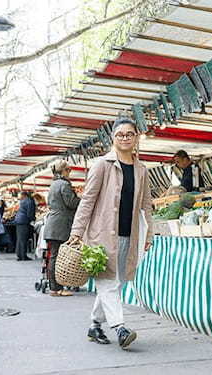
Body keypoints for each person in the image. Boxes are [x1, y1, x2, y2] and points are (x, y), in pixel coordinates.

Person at [70, 118, 153, 349]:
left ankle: (95, 324)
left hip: (129, 234)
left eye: (129, 134)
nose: (125, 138)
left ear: (136, 137)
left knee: (117, 282)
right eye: (120, 134)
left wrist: (149, 234)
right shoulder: (101, 165)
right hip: (101, 235)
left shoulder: (142, 169)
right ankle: (119, 327)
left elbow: (147, 203)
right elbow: (87, 201)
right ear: (113, 138)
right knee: (107, 281)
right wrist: (77, 232)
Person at [44, 160, 81, 297]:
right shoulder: (64, 184)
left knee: (54, 256)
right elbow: (70, 203)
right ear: (64, 171)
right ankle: (56, 288)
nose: (70, 173)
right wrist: (81, 199)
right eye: (69, 170)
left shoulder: (54, 184)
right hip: (60, 225)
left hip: (53, 224)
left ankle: (54, 287)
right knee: (57, 257)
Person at [14, 191, 36, 261]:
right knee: (23, 239)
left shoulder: (23, 201)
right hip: (24, 221)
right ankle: (23, 256)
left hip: (19, 220)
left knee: (20, 239)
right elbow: (30, 213)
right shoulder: (29, 201)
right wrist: (33, 219)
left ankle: (19, 254)